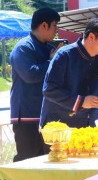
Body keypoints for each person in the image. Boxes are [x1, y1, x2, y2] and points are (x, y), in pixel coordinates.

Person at [10, 8, 61, 162]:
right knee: (28, 162)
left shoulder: (49, 49)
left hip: (47, 115)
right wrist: (52, 61)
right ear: (44, 26)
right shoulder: (23, 47)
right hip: (27, 115)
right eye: (54, 26)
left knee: (48, 161)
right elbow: (30, 75)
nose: (56, 31)